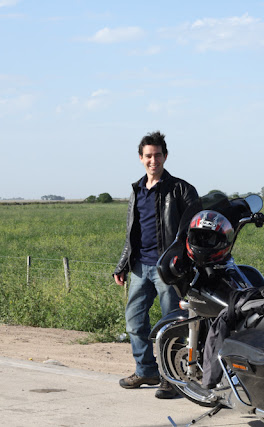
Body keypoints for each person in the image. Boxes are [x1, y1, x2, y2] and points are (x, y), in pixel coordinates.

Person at [113, 131, 199, 399]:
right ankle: (146, 370)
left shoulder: (181, 190)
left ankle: (171, 379)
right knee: (135, 322)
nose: (153, 160)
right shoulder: (137, 190)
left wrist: (184, 263)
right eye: (148, 156)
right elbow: (132, 233)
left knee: (170, 325)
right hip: (140, 267)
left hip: (168, 269)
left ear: (165, 156)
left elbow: (195, 231)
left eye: (157, 155)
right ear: (141, 158)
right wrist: (122, 265)